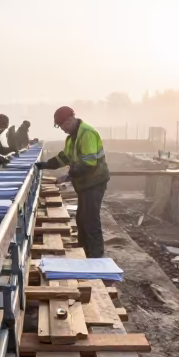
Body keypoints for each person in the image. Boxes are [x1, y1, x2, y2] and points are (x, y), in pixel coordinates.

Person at [36, 105, 110, 258]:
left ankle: (95, 254)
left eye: (63, 125)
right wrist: (47, 164)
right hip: (85, 183)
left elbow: (89, 162)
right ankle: (83, 247)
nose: (62, 129)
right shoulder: (72, 138)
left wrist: (70, 173)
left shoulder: (86, 133)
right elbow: (65, 157)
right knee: (82, 217)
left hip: (94, 182)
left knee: (90, 218)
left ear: (70, 119)